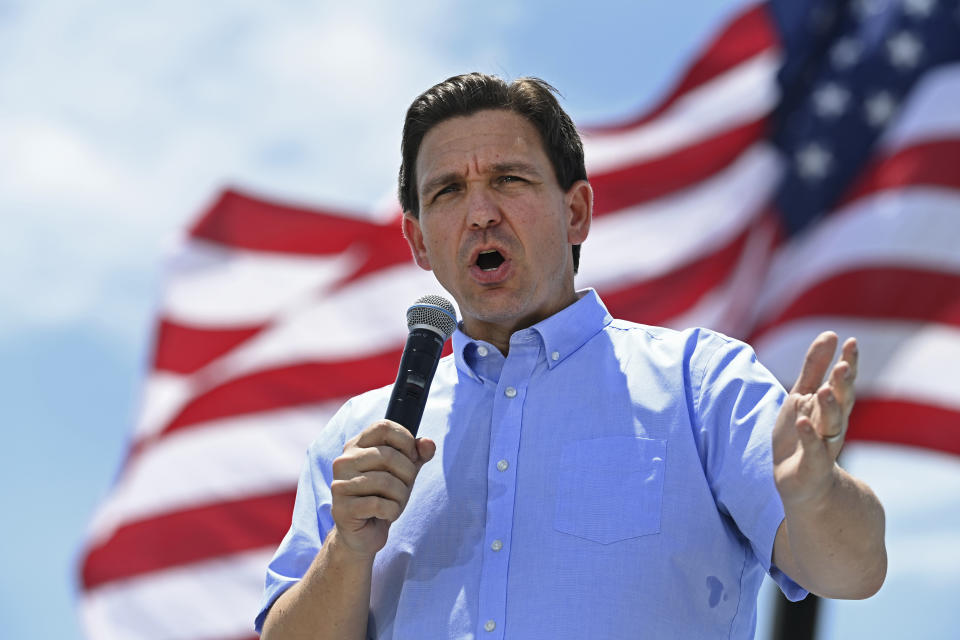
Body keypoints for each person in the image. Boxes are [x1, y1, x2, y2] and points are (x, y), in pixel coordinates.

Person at [256, 73, 886, 639]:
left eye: (509, 179)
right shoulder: (358, 440)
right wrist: (348, 548)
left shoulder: (701, 384)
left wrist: (814, 497)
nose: (480, 213)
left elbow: (854, 571)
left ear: (576, 211)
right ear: (420, 241)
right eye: (447, 191)